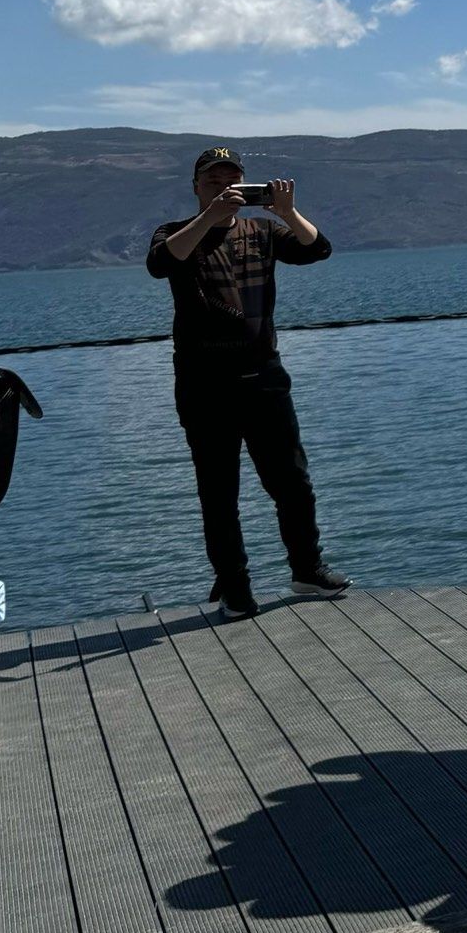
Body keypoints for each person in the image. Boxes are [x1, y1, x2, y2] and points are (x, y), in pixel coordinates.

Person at [146, 149, 350, 622]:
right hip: (204, 385)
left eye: (233, 179)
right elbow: (160, 264)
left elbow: (318, 248)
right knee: (219, 493)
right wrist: (210, 218)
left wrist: (286, 211)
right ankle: (236, 590)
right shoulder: (174, 232)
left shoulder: (262, 231)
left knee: (293, 483)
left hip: (265, 377)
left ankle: (307, 570)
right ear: (196, 186)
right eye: (214, 179)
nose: (224, 186)